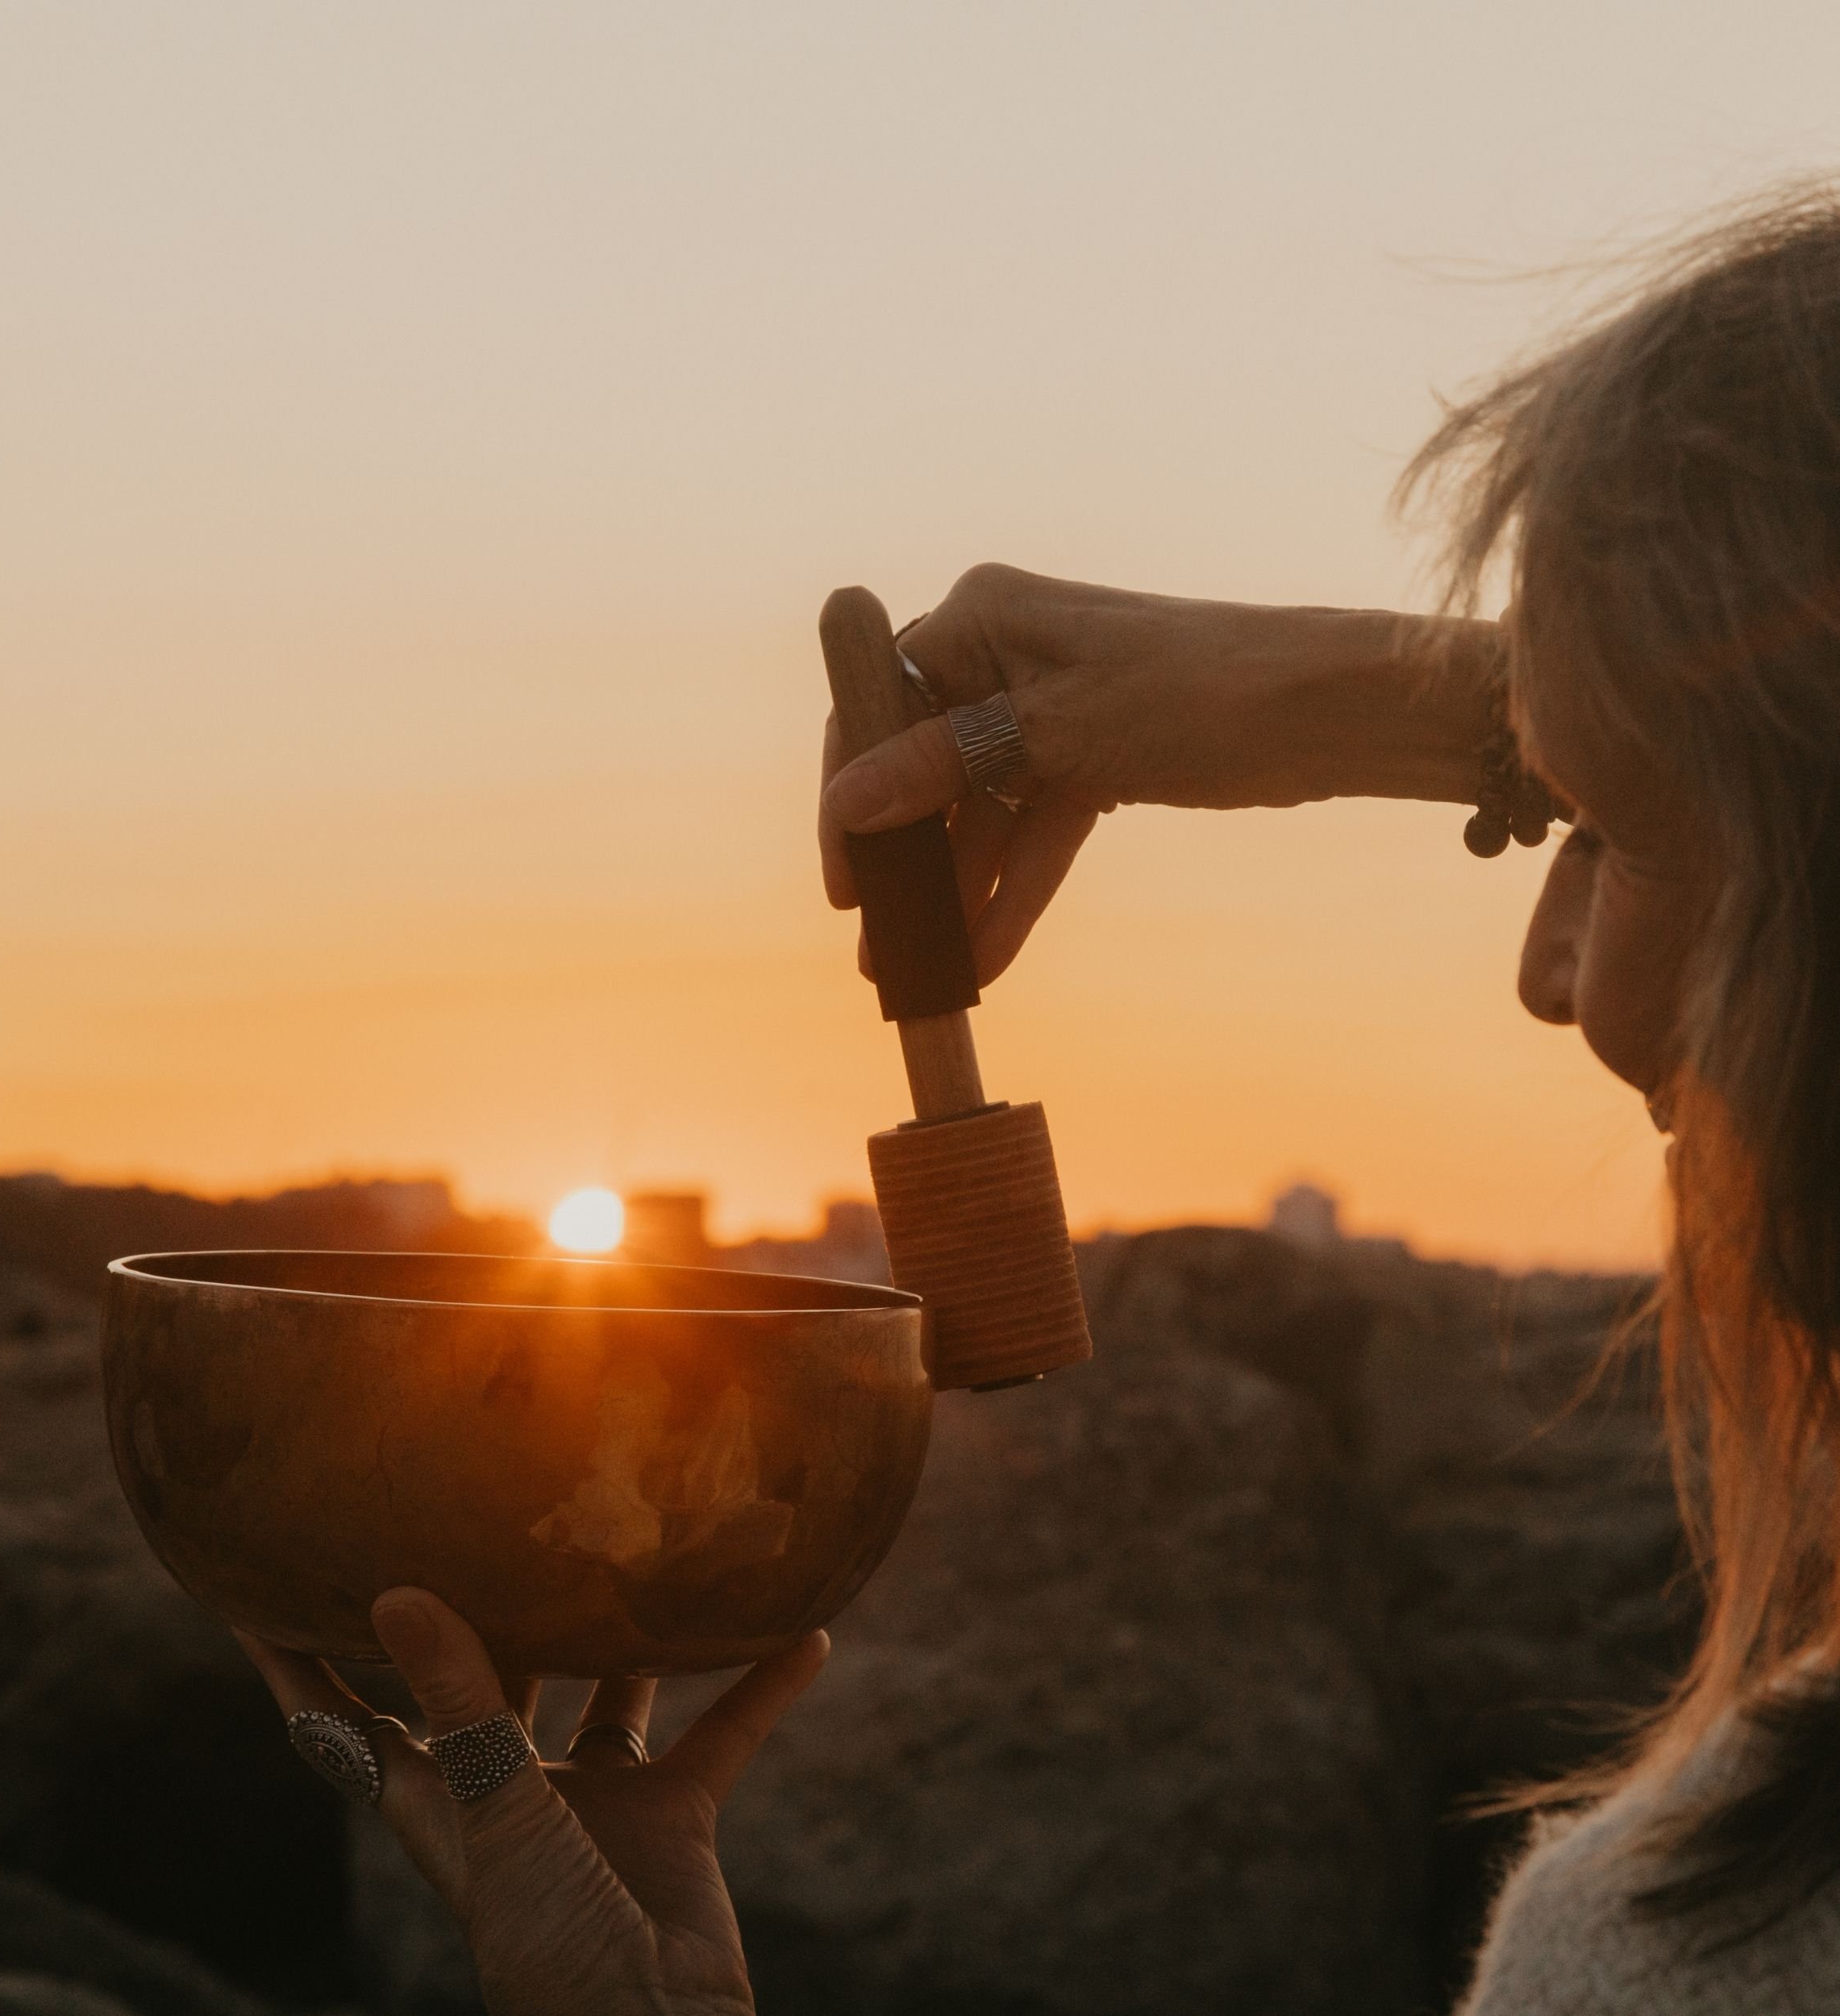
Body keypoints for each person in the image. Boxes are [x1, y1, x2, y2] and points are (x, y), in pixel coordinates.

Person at [244, 188, 1840, 2013]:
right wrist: (1380, 705)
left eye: (1607, 834)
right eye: (1537, 812)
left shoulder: (1685, 1949)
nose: (1548, 975)